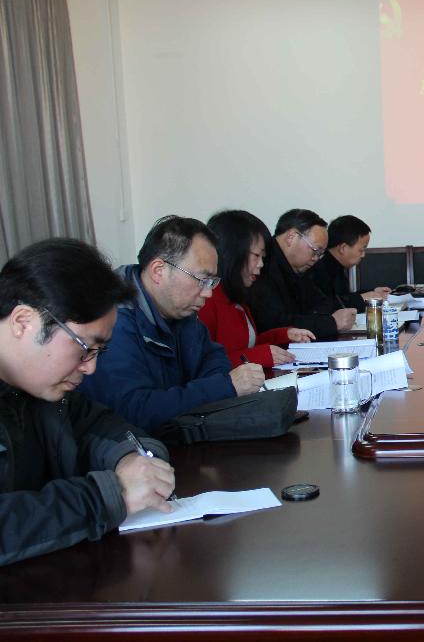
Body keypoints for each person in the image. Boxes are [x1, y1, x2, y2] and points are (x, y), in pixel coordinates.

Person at [0, 238, 176, 566]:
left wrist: (132, 461)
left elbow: (105, 427)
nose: (90, 367)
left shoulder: (47, 391)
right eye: (85, 348)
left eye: (98, 352)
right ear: (24, 322)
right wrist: (110, 495)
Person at [79, 216, 265, 432]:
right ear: (159, 270)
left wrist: (203, 391)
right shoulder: (113, 321)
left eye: (212, 282)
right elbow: (134, 411)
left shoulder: (181, 311)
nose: (208, 293)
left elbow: (214, 358)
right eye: (202, 280)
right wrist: (224, 387)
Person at [199, 210, 315, 368]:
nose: (261, 264)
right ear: (233, 252)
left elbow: (248, 345)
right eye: (256, 256)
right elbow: (204, 364)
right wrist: (259, 356)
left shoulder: (237, 294)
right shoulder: (206, 299)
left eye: (263, 258)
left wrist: (284, 335)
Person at [249, 209, 356, 338]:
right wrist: (331, 323)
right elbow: (274, 323)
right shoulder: (262, 266)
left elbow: (321, 303)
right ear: (291, 237)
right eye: (315, 250)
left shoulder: (299, 267)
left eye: (320, 254)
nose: (316, 258)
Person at [309, 215, 391, 313]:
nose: (363, 255)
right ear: (343, 248)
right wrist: (361, 298)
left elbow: (344, 296)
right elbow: (329, 306)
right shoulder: (319, 269)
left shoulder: (336, 265)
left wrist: (373, 292)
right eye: (361, 250)